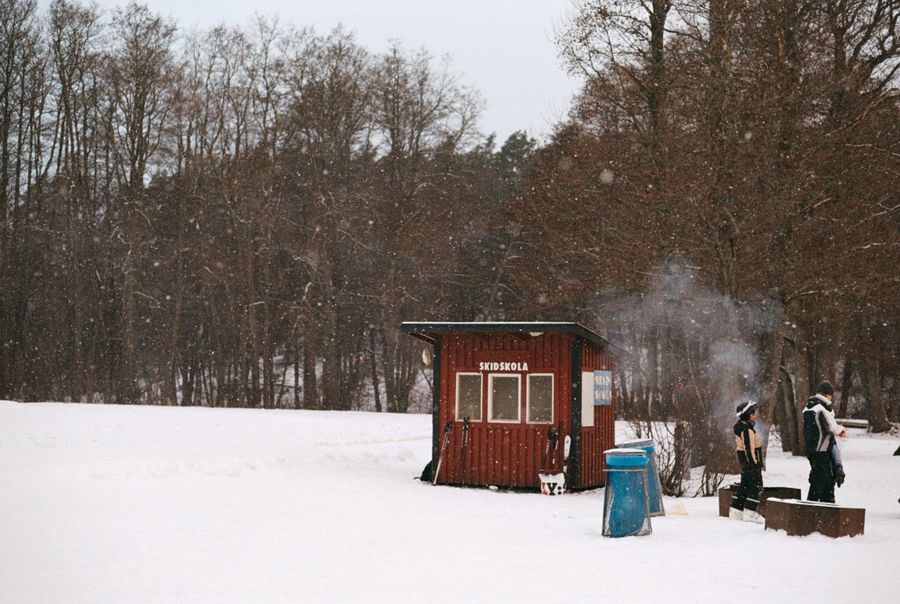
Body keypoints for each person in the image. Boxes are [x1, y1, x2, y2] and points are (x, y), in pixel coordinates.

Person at [803, 381, 847, 503]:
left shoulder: (808, 407)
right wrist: (842, 430)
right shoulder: (821, 408)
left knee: (823, 481)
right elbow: (832, 427)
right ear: (828, 395)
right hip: (822, 449)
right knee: (820, 482)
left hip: (812, 449)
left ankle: (822, 509)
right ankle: (810, 510)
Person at [730, 400, 764, 522]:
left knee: (745, 486)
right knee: (756, 486)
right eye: (753, 413)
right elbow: (749, 448)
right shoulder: (746, 430)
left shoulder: (742, 428)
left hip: (745, 463)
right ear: (747, 415)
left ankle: (736, 510)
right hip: (751, 463)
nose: (755, 416)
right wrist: (754, 464)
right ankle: (750, 512)